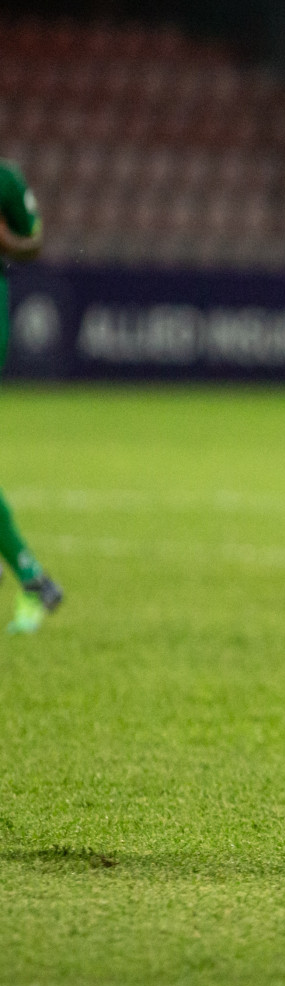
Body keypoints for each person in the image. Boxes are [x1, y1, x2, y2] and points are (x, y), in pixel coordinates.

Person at [0, 157, 63, 635]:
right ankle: (32, 579)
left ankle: (32, 580)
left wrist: (8, 242)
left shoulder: (6, 179)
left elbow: (34, 242)